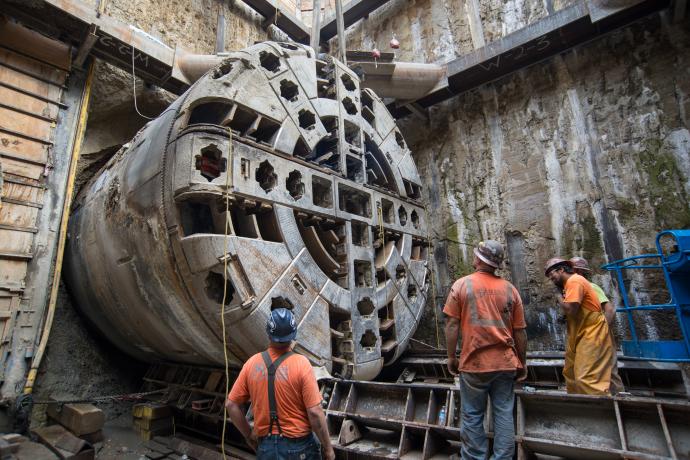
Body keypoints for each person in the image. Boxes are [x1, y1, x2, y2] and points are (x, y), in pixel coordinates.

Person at [444, 240, 527, 460]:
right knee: (503, 413)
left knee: (472, 415)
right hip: (505, 363)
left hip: (474, 362)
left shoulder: (462, 285)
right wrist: (522, 362)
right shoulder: (510, 290)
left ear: (480, 259)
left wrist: (451, 357)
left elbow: (451, 324)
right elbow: (520, 331)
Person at [226, 308, 336, 460]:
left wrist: (248, 435)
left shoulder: (252, 363)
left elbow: (231, 405)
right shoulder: (301, 364)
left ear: (268, 333)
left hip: (266, 448)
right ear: (293, 334)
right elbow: (315, 412)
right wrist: (328, 449)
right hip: (299, 447)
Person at [544, 258, 614, 395]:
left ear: (561, 269)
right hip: (580, 333)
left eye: (551, 273)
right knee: (570, 373)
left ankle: (600, 412)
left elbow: (571, 310)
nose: (550, 278)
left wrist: (559, 297)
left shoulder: (574, 281)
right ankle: (580, 408)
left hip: (591, 333)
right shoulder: (570, 284)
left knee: (586, 377)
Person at [570, 256, 624, 393]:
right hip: (590, 335)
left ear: (577, 271)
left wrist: (601, 331)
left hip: (598, 334)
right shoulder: (576, 287)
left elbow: (609, 310)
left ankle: (620, 404)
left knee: (609, 372)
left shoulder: (590, 286)